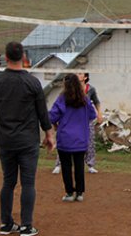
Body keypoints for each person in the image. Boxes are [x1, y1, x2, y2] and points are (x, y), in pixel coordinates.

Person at [0, 41, 55, 236]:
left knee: (8, 182)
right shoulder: (32, 82)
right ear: (24, 58)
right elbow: (42, 112)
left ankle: (6, 224)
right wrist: (49, 134)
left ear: (5, 57)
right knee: (28, 183)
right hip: (27, 140)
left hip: (5, 140)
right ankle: (26, 226)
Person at [49, 74, 96, 203]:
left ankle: (69, 192)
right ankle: (80, 193)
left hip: (65, 137)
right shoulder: (85, 100)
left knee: (66, 166)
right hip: (81, 138)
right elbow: (92, 115)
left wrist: (55, 124)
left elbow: (52, 116)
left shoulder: (61, 99)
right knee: (79, 165)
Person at [52, 72, 102, 174]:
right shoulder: (64, 93)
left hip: (83, 120)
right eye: (77, 73)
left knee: (89, 141)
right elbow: (55, 111)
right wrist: (55, 123)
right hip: (69, 122)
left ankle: (90, 164)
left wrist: (99, 114)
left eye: (80, 73)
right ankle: (58, 164)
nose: (78, 75)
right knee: (63, 143)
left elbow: (96, 102)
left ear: (85, 77)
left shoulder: (90, 90)